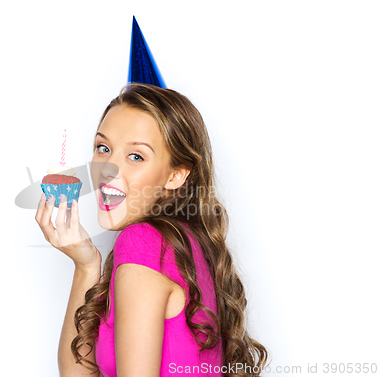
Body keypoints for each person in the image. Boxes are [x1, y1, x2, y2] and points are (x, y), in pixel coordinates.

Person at [35, 83, 269, 377]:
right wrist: (86, 265)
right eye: (103, 148)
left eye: (136, 156)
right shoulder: (184, 243)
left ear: (175, 175)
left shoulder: (143, 241)